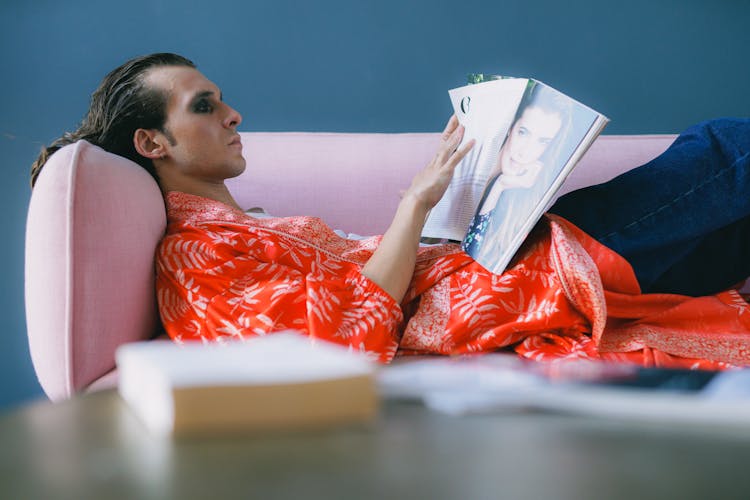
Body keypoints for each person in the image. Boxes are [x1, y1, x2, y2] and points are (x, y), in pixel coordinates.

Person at [30, 53, 750, 369]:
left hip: (492, 258)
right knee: (724, 147)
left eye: (220, 98)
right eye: (204, 106)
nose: (233, 114)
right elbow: (346, 341)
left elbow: (365, 284)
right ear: (152, 141)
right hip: (504, 287)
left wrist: (479, 186)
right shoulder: (193, 257)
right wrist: (416, 201)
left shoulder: (243, 227)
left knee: (731, 230)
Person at [462, 83, 571, 259]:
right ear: (510, 128)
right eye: (523, 132)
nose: (524, 151)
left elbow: (485, 258)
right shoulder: (468, 165)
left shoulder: (525, 193)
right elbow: (468, 253)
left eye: (542, 142)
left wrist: (500, 187)